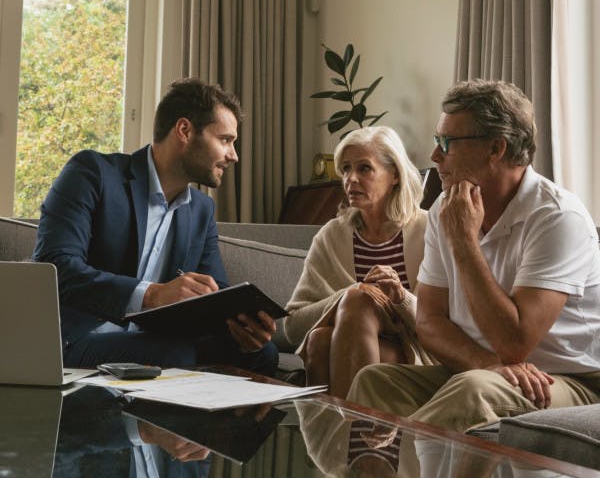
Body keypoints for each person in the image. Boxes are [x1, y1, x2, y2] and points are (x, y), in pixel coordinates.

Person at [347, 80, 600, 432]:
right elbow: (429, 321)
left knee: (474, 390)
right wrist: (487, 363)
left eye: (446, 143)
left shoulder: (557, 217)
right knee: (376, 380)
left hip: (569, 381)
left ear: (496, 148)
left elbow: (515, 343)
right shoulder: (444, 208)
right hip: (488, 370)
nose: (434, 156)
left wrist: (465, 241)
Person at [33, 79, 278, 375]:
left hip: (159, 340)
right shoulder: (92, 173)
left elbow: (217, 295)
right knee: (174, 354)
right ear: (184, 130)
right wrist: (152, 294)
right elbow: (55, 267)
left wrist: (244, 330)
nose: (233, 155)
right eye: (225, 140)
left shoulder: (201, 209)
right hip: (81, 336)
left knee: (263, 354)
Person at [284, 126, 433, 397]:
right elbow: (293, 327)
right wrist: (352, 294)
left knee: (356, 303)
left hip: (418, 353)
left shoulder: (429, 230)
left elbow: (441, 324)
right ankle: (350, 434)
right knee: (320, 338)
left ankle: (342, 435)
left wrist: (400, 299)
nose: (351, 179)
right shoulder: (332, 235)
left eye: (364, 168)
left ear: (395, 175)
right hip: (351, 346)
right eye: (346, 169)